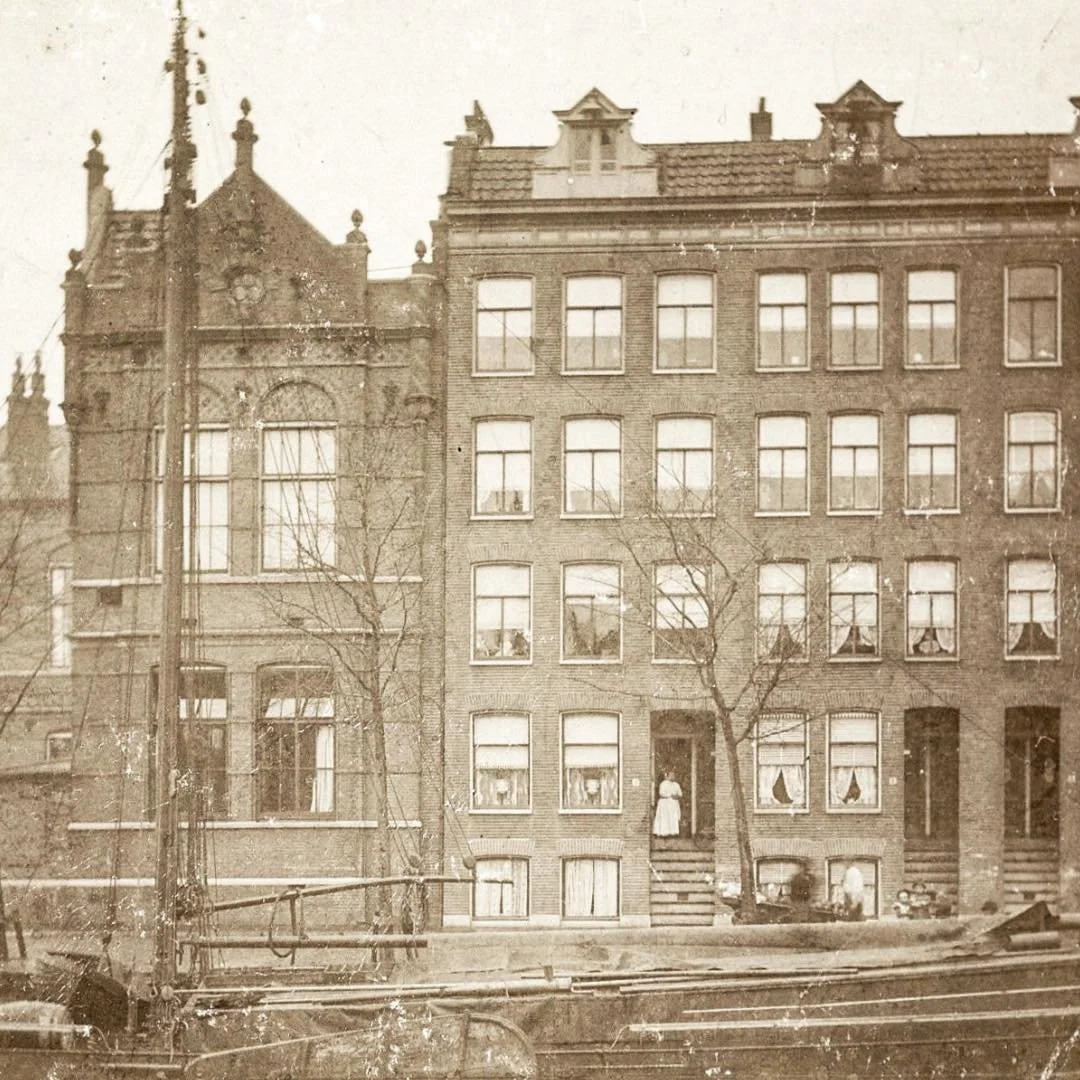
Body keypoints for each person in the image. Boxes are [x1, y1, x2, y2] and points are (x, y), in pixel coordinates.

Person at [652, 769, 682, 837]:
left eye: (673, 775)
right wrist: (670, 795)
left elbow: (680, 794)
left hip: (674, 804)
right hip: (665, 804)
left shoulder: (676, 784)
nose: (673, 776)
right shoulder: (663, 784)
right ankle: (664, 833)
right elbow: (661, 793)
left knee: (673, 818)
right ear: (667, 776)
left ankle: (673, 833)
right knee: (665, 818)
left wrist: (676, 796)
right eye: (671, 775)